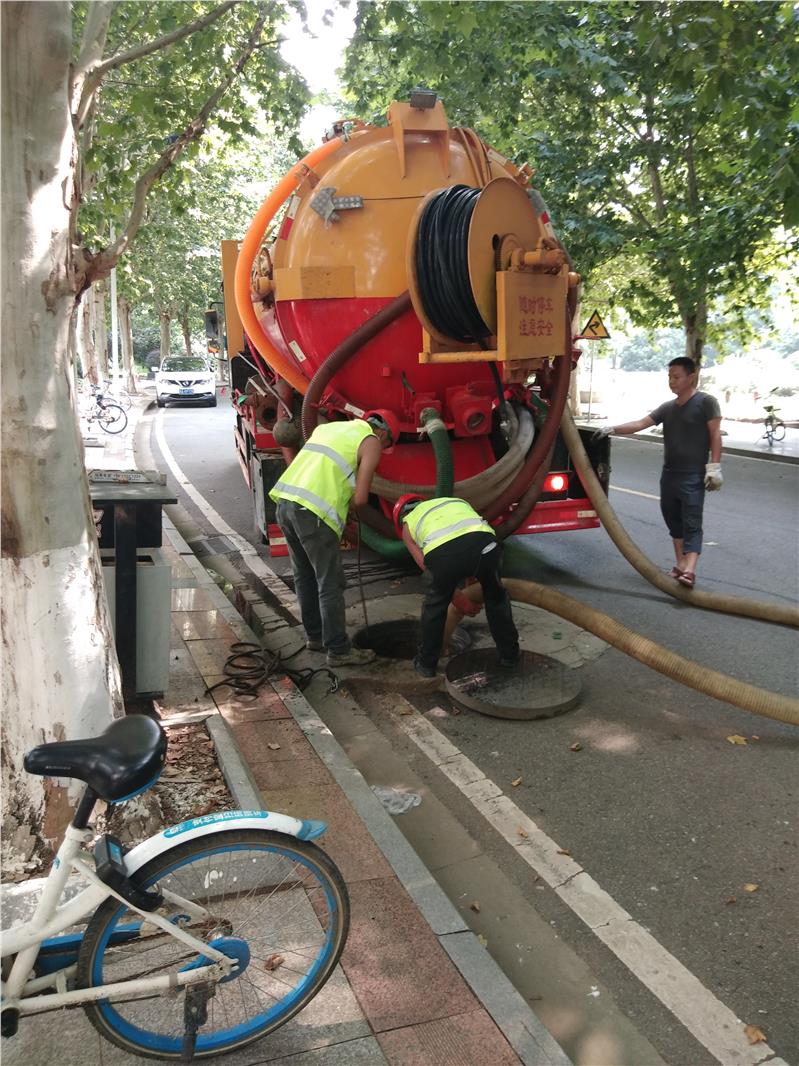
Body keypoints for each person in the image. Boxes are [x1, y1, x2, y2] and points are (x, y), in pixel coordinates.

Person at [270, 412, 396, 666]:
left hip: (285, 504)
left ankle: (315, 637)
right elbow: (361, 500)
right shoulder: (371, 442)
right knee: (330, 582)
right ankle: (338, 650)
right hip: (313, 514)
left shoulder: (330, 429)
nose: (384, 449)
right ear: (383, 433)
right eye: (388, 444)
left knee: (304, 576)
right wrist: (385, 529)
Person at [593, 356, 722, 589]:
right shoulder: (668, 408)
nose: (672, 382)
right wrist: (612, 428)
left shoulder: (706, 403)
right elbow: (640, 424)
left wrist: (714, 466)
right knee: (673, 519)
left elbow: (715, 435)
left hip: (692, 474)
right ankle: (681, 564)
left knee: (692, 521)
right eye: (669, 377)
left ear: (691, 377)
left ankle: (690, 570)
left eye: (677, 377)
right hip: (670, 474)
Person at [397, 495, 520, 678]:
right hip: (487, 547)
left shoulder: (408, 524)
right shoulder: (453, 502)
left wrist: (453, 595)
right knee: (496, 598)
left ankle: (426, 664)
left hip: (444, 557)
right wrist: (468, 589)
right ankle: (509, 656)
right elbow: (469, 539)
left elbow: (426, 565)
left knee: (435, 607)